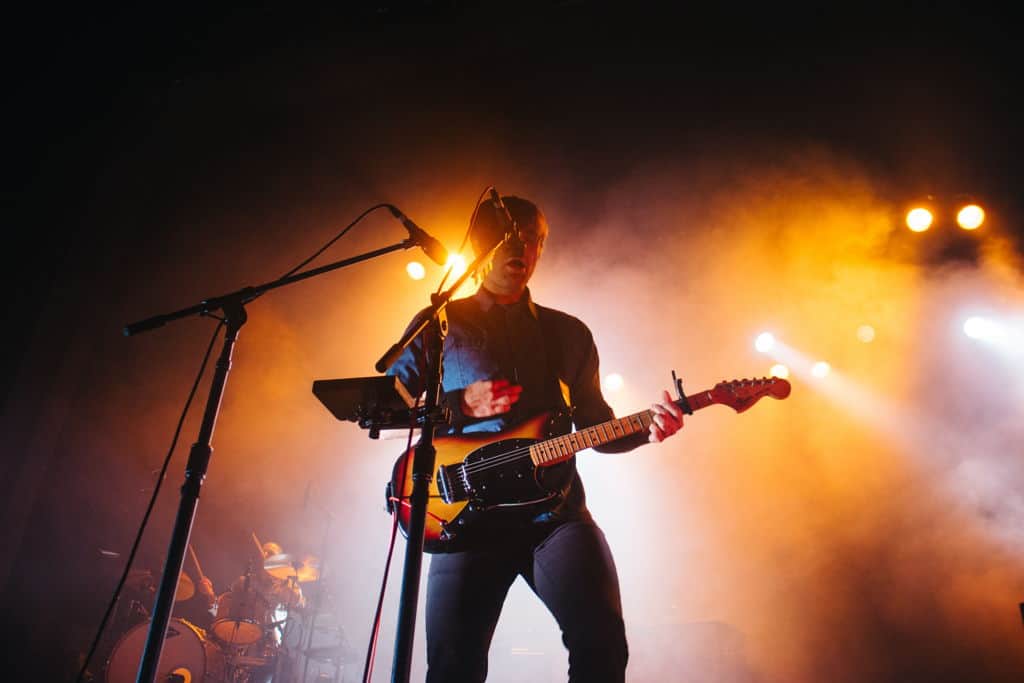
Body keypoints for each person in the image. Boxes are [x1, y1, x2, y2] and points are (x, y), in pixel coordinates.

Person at [386, 194, 684, 682]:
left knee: (603, 644)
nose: (522, 247)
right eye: (509, 235)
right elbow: (380, 407)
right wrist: (459, 406)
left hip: (555, 518)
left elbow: (597, 426)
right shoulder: (441, 324)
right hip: (467, 519)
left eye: (533, 239)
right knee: (452, 667)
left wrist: (647, 431)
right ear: (481, 244)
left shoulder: (568, 333)